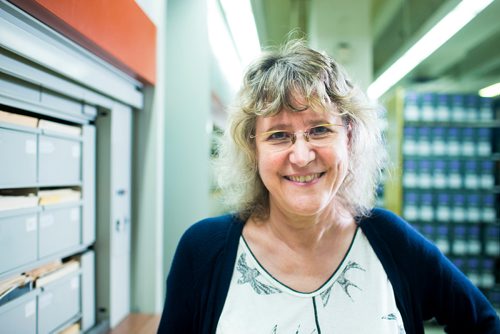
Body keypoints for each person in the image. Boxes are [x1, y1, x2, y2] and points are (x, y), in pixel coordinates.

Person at [157, 40, 500, 334]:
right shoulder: (205, 252)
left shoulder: (391, 243)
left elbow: (485, 324)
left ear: (349, 138)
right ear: (253, 149)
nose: (303, 156)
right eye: (279, 135)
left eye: (320, 129)